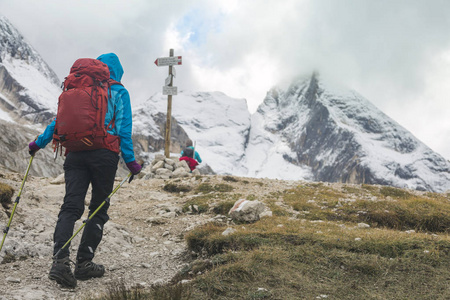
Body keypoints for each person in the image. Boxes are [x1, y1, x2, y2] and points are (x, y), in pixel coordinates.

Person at [28, 53, 141, 288]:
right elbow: (124, 129)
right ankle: (84, 263)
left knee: (70, 207)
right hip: (104, 156)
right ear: (116, 72)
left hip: (76, 153)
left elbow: (57, 121)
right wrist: (131, 163)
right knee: (98, 208)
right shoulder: (119, 92)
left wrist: (38, 143)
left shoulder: (79, 87)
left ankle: (60, 262)